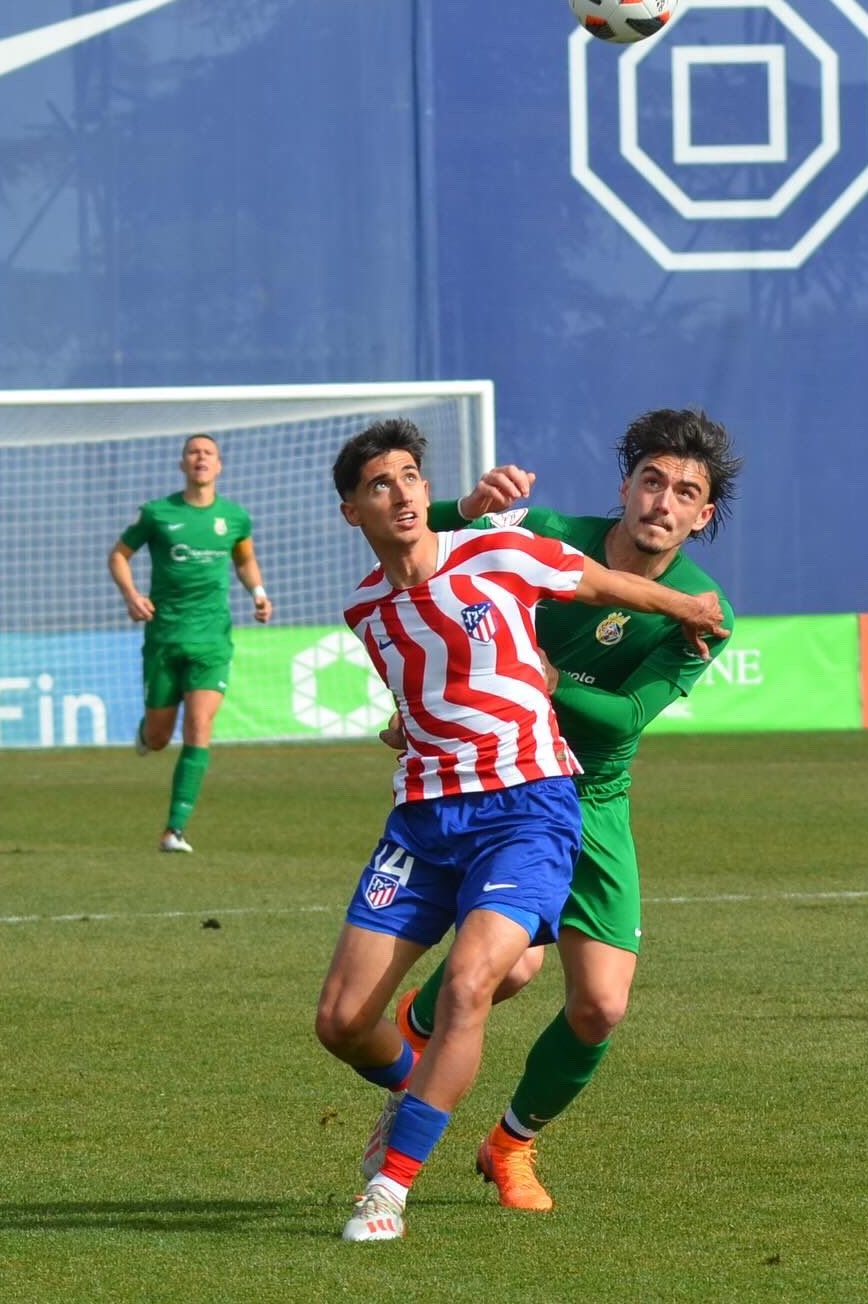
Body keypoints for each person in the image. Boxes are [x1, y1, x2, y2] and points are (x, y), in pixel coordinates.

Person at [314, 417, 727, 1243]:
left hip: (581, 794)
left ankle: (507, 1145)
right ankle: (419, 1082)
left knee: (596, 1006)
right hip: (445, 797)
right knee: (485, 980)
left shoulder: (699, 616)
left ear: (702, 517)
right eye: (652, 480)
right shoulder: (536, 533)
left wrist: (537, 679)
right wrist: (469, 506)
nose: (663, 502)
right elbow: (431, 568)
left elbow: (621, 722)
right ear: (625, 485)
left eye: (685, 493)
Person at [107, 433, 271, 853]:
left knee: (199, 725)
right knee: (161, 737)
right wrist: (131, 596)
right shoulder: (158, 514)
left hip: (212, 641)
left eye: (208, 453)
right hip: (164, 637)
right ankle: (148, 733)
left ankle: (174, 829)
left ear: (219, 466)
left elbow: (244, 557)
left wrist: (257, 593)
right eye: (193, 452)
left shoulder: (234, 518)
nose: (200, 458)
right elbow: (119, 555)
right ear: (183, 464)